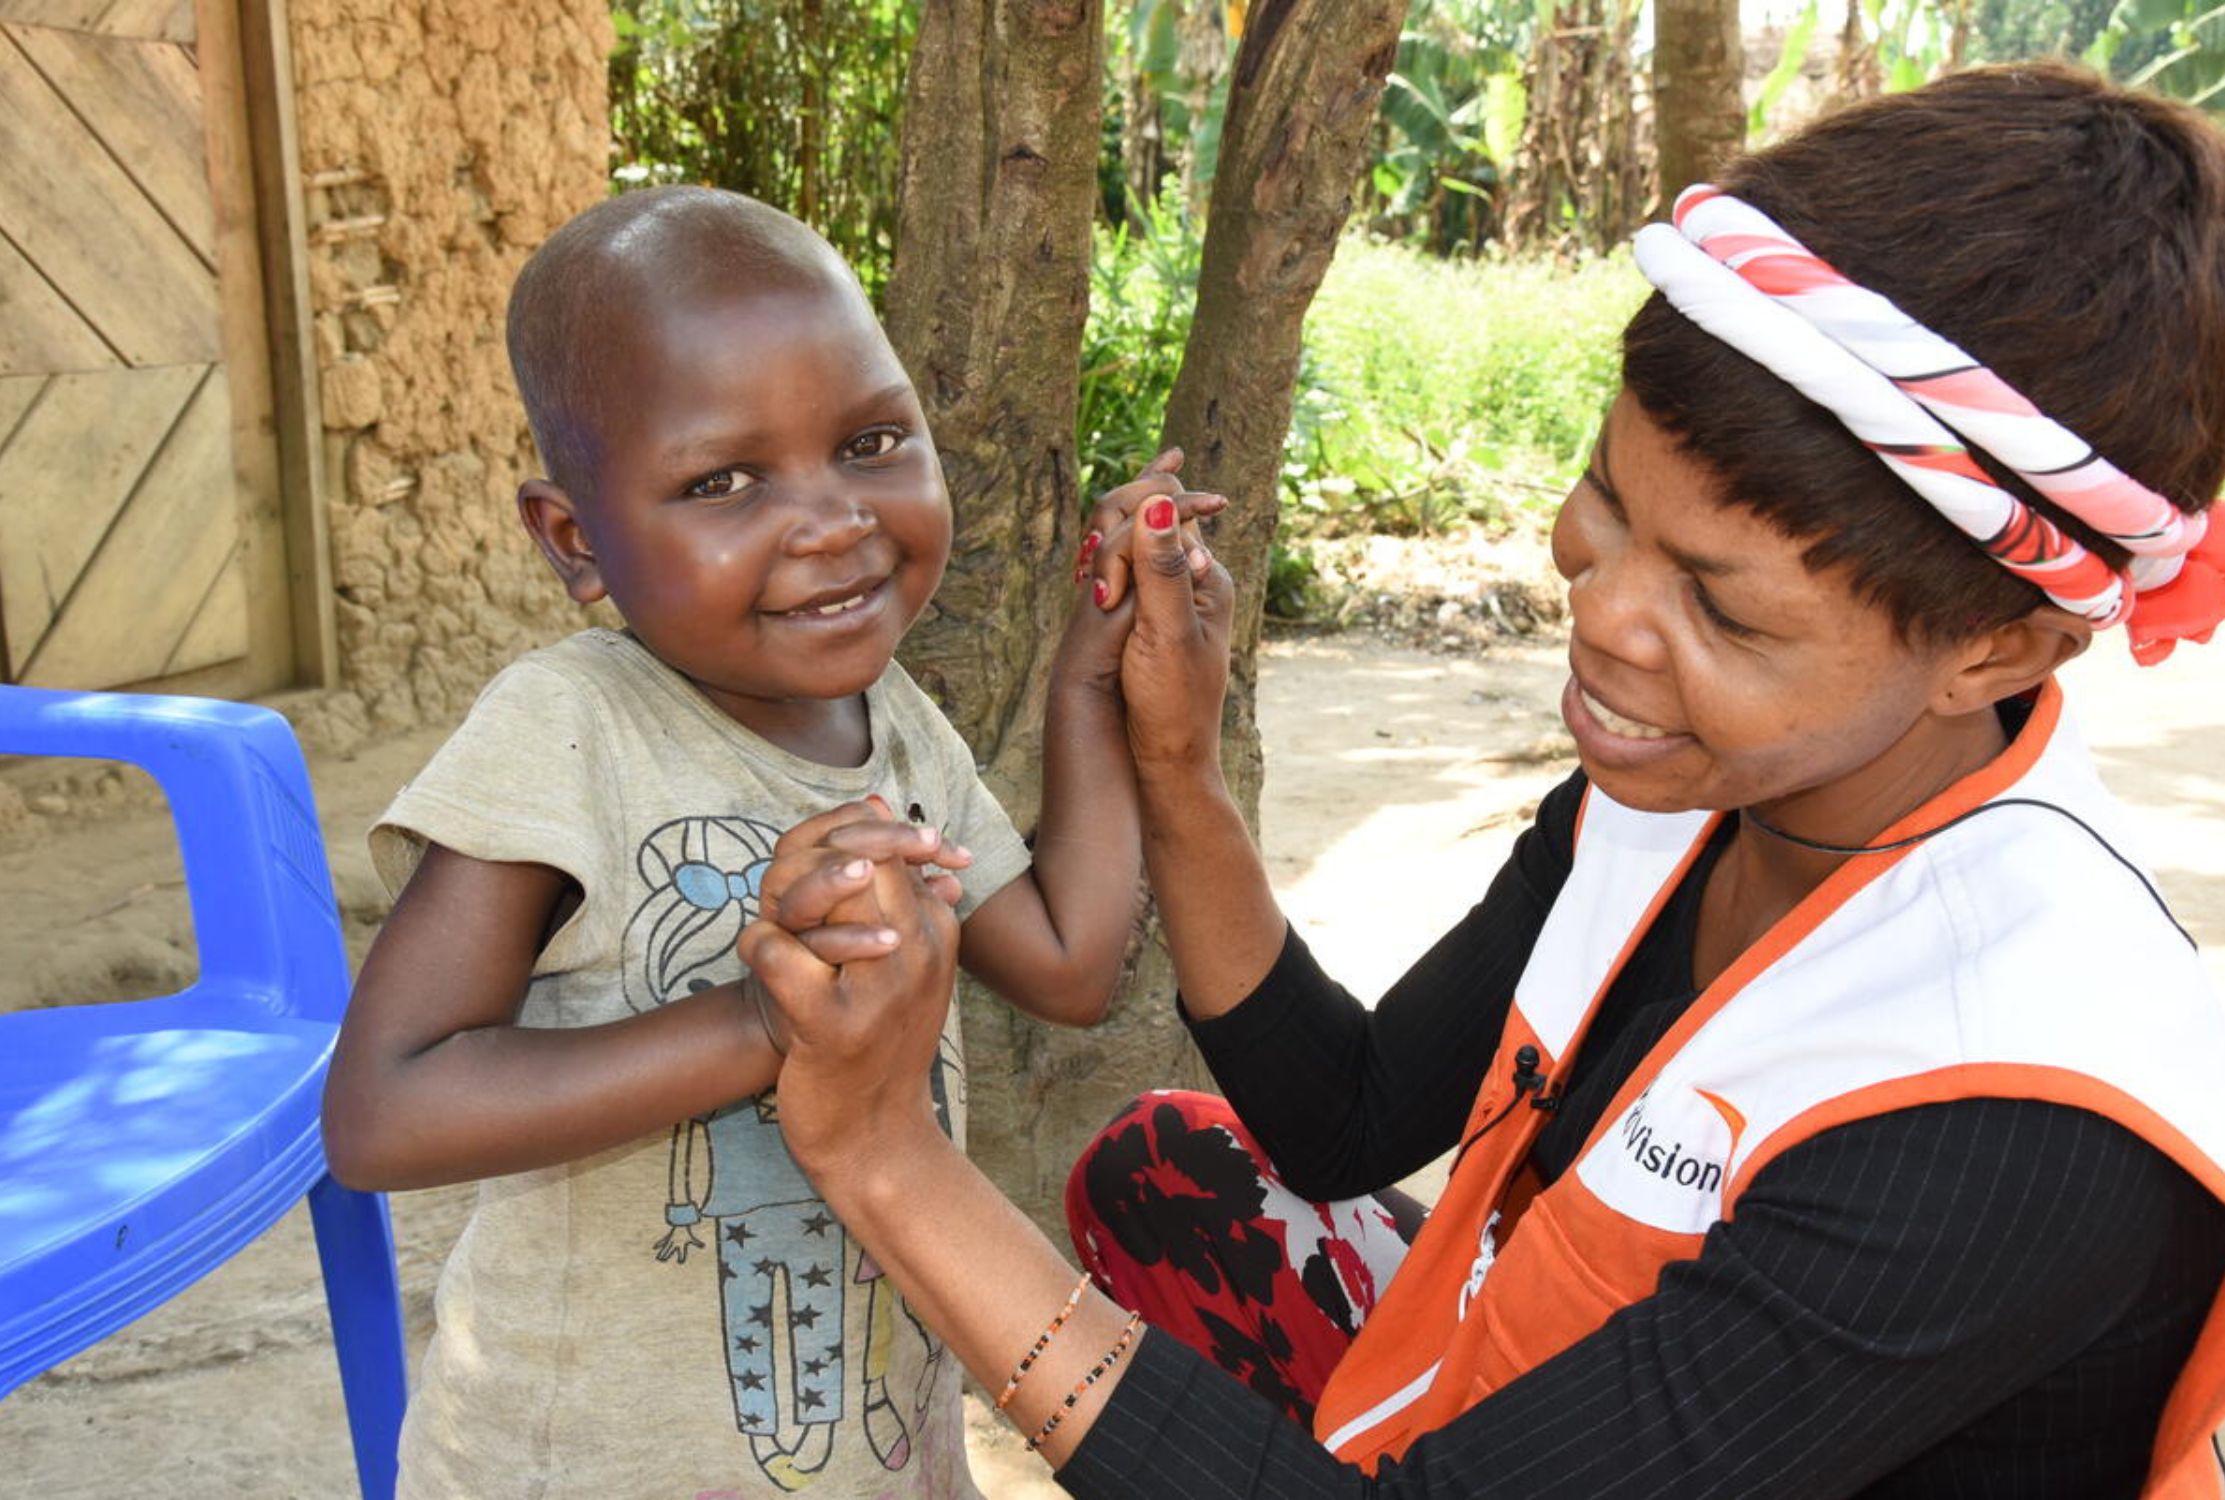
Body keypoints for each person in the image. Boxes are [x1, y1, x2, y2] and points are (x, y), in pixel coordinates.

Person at [739, 63, 2225, 1498]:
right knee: (1170, 1174)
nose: (1602, 610)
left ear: (1996, 644)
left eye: (1719, 607)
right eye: (1605, 498)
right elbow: (1347, 1119)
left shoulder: (2002, 1127)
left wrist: (882, 1156)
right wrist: (1176, 759)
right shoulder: (1694, 799)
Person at [320, 186, 1217, 1499]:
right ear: (577, 543)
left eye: (869, 442)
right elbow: (384, 1113)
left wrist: (1095, 683)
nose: (830, 520)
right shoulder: (570, 728)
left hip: (878, 1457)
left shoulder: (893, 723)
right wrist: (770, 1023)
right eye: (722, 481)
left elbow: (1072, 961)